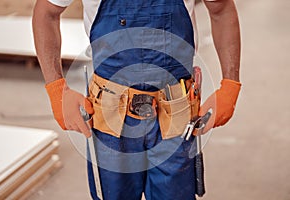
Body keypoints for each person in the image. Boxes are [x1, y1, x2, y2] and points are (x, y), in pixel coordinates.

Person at [32, 0, 241, 199]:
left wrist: (230, 84)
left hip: (175, 116)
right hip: (110, 116)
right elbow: (46, 13)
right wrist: (57, 89)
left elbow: (221, 9)